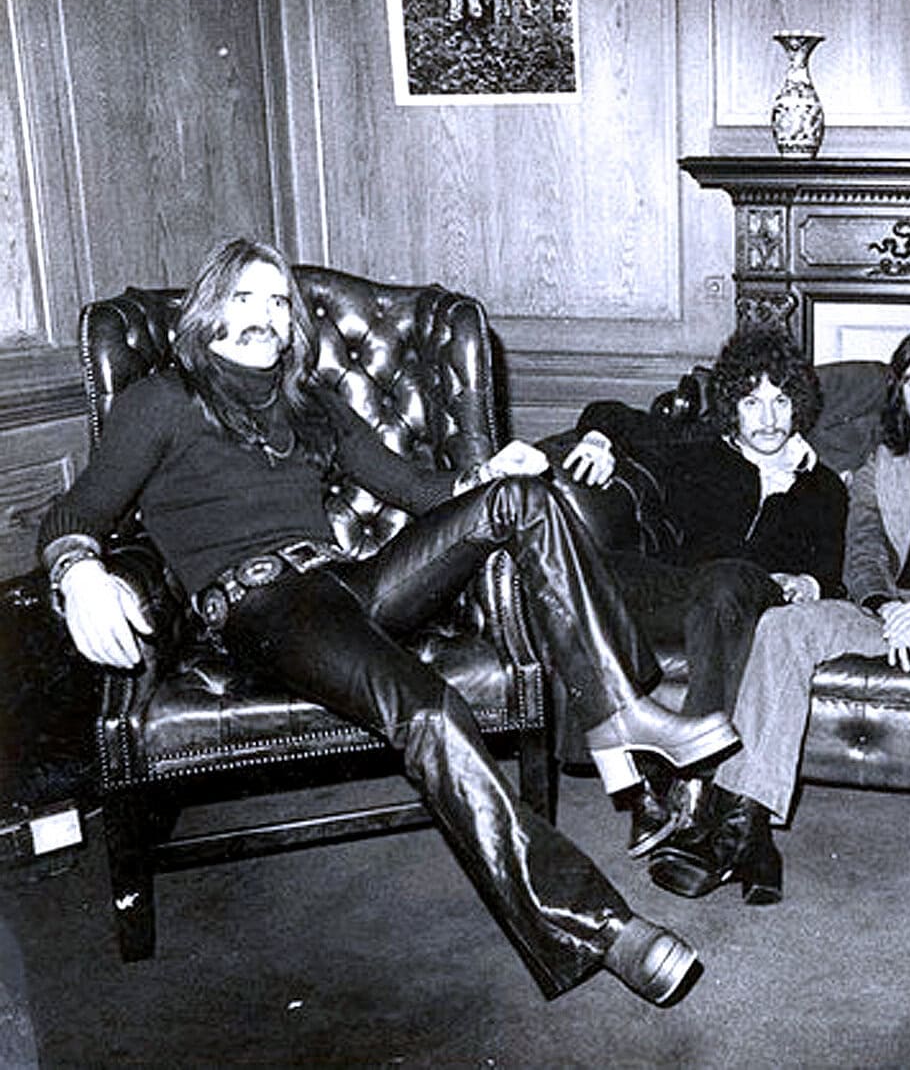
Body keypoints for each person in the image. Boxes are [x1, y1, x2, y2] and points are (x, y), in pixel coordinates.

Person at [38, 237, 742, 1006]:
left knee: (522, 500)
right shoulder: (162, 400)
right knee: (431, 710)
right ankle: (595, 925)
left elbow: (416, 488)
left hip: (349, 580)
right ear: (209, 310)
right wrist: (80, 573)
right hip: (265, 607)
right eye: (245, 297)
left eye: (278, 301)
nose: (265, 315)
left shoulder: (311, 403)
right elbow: (74, 513)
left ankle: (620, 712)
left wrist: (486, 475)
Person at [649, 327, 910, 905]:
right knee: (783, 625)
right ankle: (743, 824)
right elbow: (863, 552)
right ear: (900, 393)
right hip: (888, 614)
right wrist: (892, 608)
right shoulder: (879, 461)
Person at [565, 327, 848, 859]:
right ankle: (634, 780)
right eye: (752, 402)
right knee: (582, 568)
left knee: (729, 579)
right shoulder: (698, 451)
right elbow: (611, 413)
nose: (768, 418)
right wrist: (598, 441)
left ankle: (694, 778)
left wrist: (805, 576)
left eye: (781, 401)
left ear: (800, 407)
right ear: (731, 408)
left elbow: (830, 575)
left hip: (753, 599)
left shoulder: (821, 486)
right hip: (680, 593)